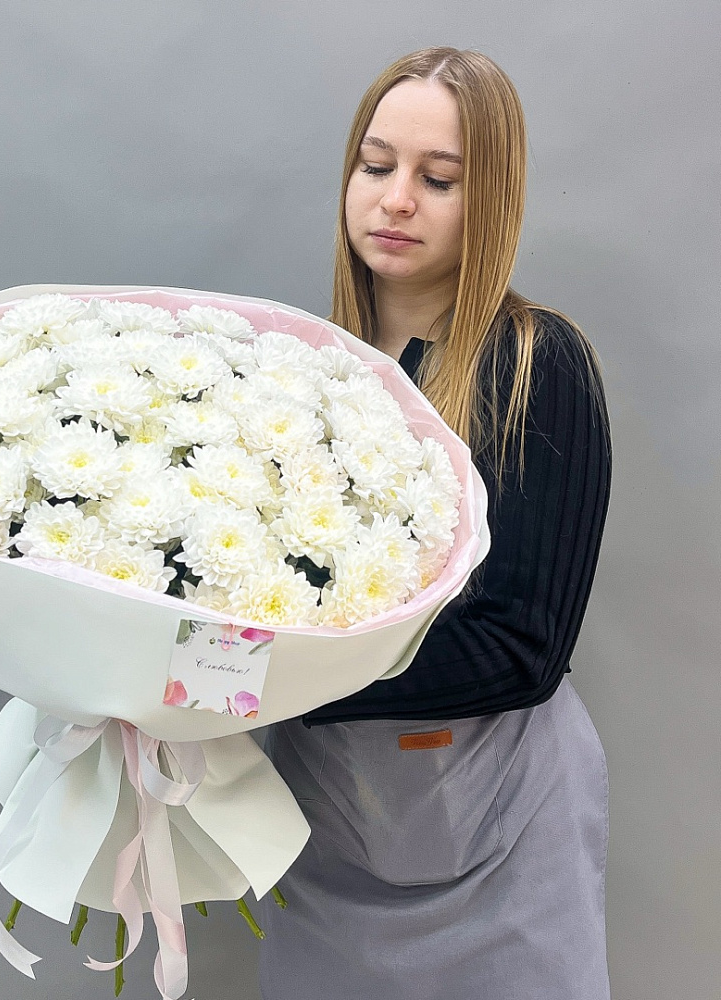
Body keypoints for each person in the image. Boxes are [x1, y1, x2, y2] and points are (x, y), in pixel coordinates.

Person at [257, 47, 613, 999]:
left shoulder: (537, 364)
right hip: (328, 818)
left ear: (490, 198)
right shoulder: (297, 377)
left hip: (504, 834)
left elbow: (521, 647)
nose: (397, 199)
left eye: (438, 179)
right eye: (376, 166)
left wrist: (254, 682)